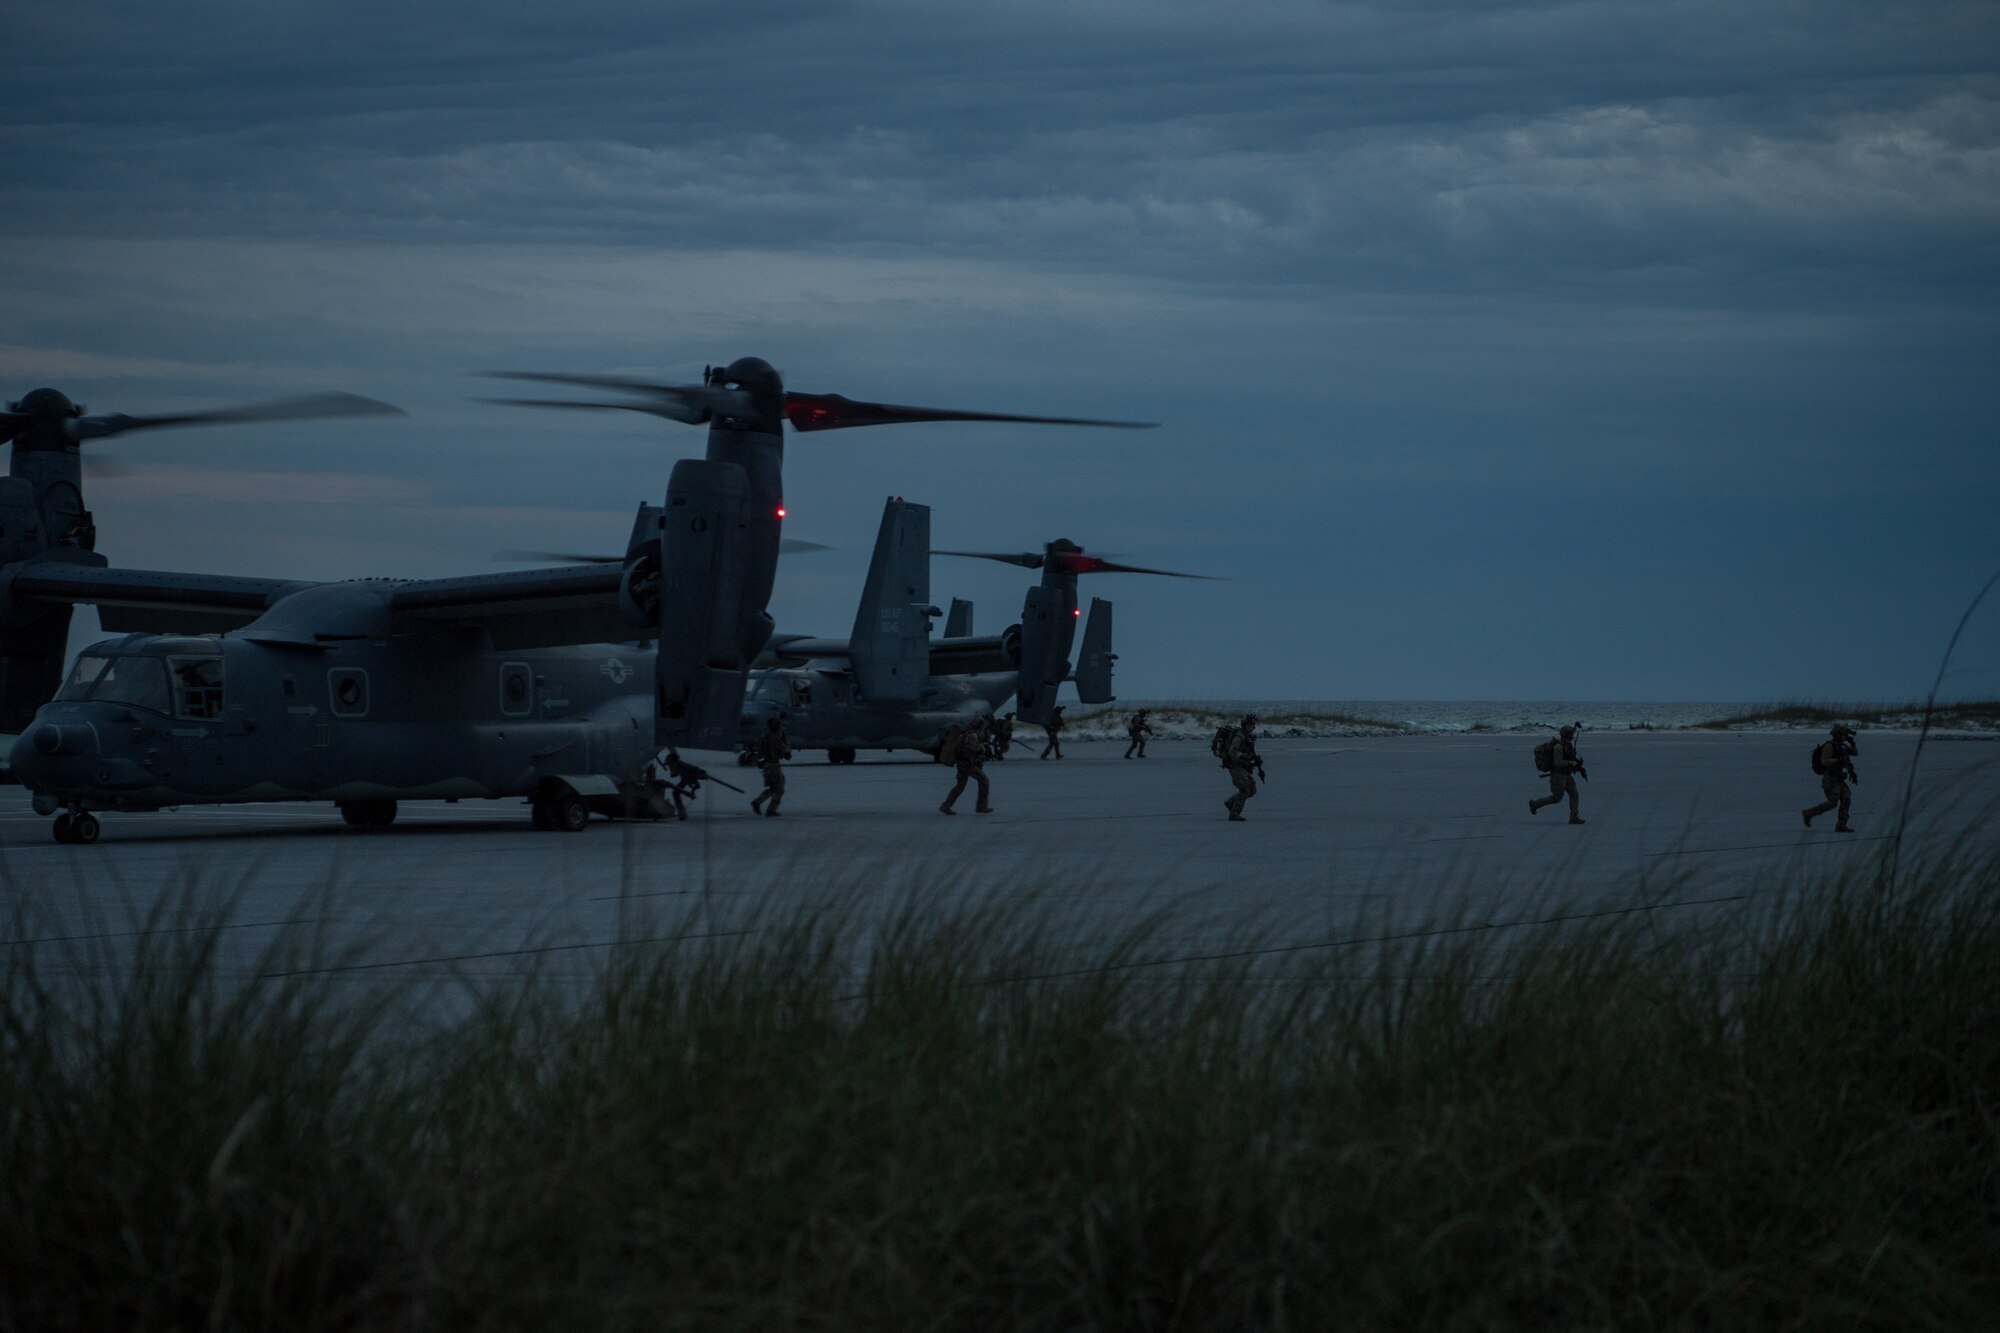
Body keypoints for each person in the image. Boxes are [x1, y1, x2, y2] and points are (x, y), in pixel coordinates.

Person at [1803, 724, 1859, 832]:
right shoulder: (1830, 746)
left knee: (1846, 799)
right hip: (1830, 778)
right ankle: (1808, 813)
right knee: (1832, 802)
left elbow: (1855, 753)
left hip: (1839, 778)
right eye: (1844, 734)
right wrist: (1838, 760)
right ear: (1838, 735)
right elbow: (1825, 761)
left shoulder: (1842, 746)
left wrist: (1852, 743)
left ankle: (1841, 825)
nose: (1845, 736)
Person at [1529, 723, 1587, 824]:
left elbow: (1570, 759)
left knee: (1574, 795)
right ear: (1566, 735)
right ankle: (1535, 804)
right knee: (1556, 798)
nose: (1572, 736)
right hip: (1557, 776)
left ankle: (1574, 817)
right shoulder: (1558, 747)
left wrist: (1577, 766)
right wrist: (1570, 763)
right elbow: (1558, 762)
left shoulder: (1568, 745)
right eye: (1571, 734)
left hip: (1567, 775)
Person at [939, 715, 994, 815]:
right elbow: (973, 749)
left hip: (962, 764)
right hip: (969, 764)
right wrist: (982, 748)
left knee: (959, 786)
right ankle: (982, 807)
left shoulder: (966, 734)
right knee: (984, 781)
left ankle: (946, 805)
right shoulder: (972, 736)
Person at [1221, 714, 1263, 821]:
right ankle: (1234, 814)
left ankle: (1231, 803)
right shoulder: (1239, 736)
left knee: (1252, 790)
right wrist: (1244, 755)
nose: (1252, 727)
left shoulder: (1248, 737)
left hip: (1243, 767)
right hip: (1235, 766)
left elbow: (1249, 751)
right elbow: (1232, 751)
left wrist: (1255, 760)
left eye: (1253, 725)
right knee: (1245, 789)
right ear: (1245, 725)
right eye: (1250, 725)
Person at [748, 716, 791, 816]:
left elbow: (758, 750)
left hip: (765, 765)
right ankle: (771, 810)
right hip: (773, 765)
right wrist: (785, 744)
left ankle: (758, 802)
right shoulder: (775, 738)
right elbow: (784, 751)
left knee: (773, 787)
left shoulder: (763, 737)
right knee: (779, 788)